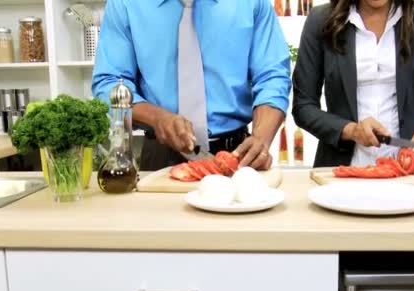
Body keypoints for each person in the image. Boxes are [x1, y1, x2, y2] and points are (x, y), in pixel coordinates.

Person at [92, 0, 291, 171]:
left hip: (238, 155)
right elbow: (109, 83)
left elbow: (272, 76)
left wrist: (261, 139)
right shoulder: (126, 4)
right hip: (160, 154)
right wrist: (157, 118)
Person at [292, 0, 414, 168]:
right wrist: (351, 131)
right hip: (341, 171)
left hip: (412, 170)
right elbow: (303, 107)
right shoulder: (320, 19)